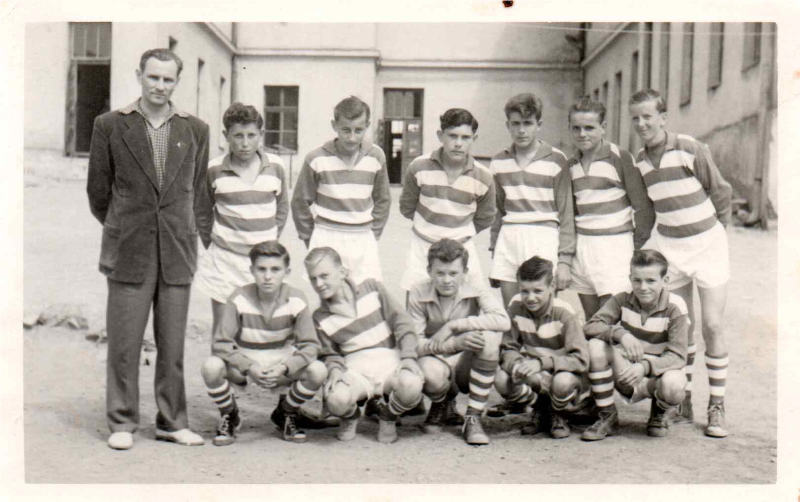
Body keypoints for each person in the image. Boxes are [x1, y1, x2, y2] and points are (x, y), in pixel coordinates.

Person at [87, 48, 213, 450]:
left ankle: (172, 422)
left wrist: (180, 230)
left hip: (177, 248)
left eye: (168, 79)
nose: (160, 86)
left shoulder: (196, 129)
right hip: (129, 247)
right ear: (139, 75)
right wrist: (126, 226)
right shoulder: (109, 125)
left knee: (172, 345)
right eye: (153, 77)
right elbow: (98, 193)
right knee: (124, 343)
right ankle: (122, 421)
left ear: (177, 82)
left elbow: (195, 192)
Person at [628, 89, 732, 438]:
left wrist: (718, 233)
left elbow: (720, 191)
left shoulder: (688, 147)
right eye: (635, 118)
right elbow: (646, 210)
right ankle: (681, 400)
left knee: (713, 325)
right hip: (670, 248)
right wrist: (639, 247)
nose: (641, 124)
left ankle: (716, 404)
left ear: (662, 118)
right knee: (681, 326)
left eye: (647, 116)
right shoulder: (640, 161)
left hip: (708, 244)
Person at [201, 241, 327, 446]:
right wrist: (249, 366)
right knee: (211, 366)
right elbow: (221, 343)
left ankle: (285, 413)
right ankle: (230, 414)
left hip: (281, 360)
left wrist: (285, 368)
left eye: (275, 269)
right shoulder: (238, 298)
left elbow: (311, 346)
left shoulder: (297, 299)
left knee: (318, 370)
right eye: (261, 269)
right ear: (252, 270)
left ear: (287, 272)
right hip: (247, 359)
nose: (268, 276)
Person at [305, 247, 424, 444]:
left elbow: (402, 322)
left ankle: (388, 416)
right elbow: (329, 354)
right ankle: (351, 416)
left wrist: (409, 356)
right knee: (336, 399)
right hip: (356, 369)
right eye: (313, 278)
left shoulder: (372, 288)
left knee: (412, 384)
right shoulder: (320, 317)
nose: (319, 284)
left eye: (324, 276)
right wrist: (335, 370)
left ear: (342, 272)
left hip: (389, 362)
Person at [195, 102, 288, 336]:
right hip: (225, 261)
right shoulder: (214, 169)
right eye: (238, 136)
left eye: (251, 135)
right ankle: (221, 360)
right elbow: (203, 212)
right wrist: (217, 243)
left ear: (261, 134)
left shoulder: (276, 167)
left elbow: (282, 208)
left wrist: (268, 241)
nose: (245, 143)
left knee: (259, 326)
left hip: (262, 261)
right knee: (224, 328)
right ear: (226, 135)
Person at [407, 239, 510, 445]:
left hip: (465, 363)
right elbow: (413, 344)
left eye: (453, 273)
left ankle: (473, 416)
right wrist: (453, 344)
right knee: (428, 371)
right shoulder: (418, 291)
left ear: (465, 272)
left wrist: (455, 325)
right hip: (436, 357)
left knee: (488, 339)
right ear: (429, 271)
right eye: (440, 273)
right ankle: (442, 402)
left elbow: (503, 320)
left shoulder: (474, 286)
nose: (447, 280)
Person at [581, 249, 688, 441]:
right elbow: (590, 326)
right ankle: (607, 414)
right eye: (637, 280)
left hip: (656, 376)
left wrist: (645, 367)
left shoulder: (675, 306)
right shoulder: (623, 298)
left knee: (674, 383)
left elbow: (678, 356)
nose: (643, 287)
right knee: (596, 346)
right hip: (626, 373)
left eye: (651, 281)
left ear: (665, 281)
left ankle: (659, 412)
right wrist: (621, 334)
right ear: (630, 278)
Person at [566, 96, 655, 319]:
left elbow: (643, 207)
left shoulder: (619, 157)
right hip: (583, 247)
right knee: (592, 319)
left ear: (603, 127)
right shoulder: (571, 164)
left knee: (612, 318)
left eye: (589, 128)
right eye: (576, 128)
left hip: (614, 246)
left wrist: (635, 248)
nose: (582, 134)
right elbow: (572, 212)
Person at [291, 96, 390, 284]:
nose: (352, 137)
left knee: (366, 293)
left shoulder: (376, 156)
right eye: (346, 130)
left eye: (358, 130)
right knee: (330, 293)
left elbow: (383, 199)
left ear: (367, 126)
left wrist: (373, 233)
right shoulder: (316, 158)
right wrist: (310, 238)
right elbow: (300, 202)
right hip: (326, 235)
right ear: (334, 125)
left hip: (362, 237)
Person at [488, 93, 575, 309]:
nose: (521, 130)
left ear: (539, 124)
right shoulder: (498, 161)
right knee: (512, 310)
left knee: (544, 310)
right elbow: (497, 212)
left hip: (543, 236)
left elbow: (566, 213)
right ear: (507, 125)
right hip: (509, 238)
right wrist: (494, 250)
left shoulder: (556, 159)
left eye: (527, 123)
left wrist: (565, 260)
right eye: (515, 124)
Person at [399, 108, 496, 300]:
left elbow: (485, 217)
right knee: (416, 302)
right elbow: (407, 207)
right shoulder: (418, 166)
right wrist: (431, 228)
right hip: (423, 246)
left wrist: (457, 234)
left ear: (474, 139)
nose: (458, 143)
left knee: (469, 304)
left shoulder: (484, 176)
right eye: (452, 136)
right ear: (440, 135)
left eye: (465, 137)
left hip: (462, 248)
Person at [491, 256, 592, 439]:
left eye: (538, 291)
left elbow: (581, 360)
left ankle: (559, 412)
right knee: (501, 378)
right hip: (537, 374)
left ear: (552, 286)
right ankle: (541, 409)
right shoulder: (516, 306)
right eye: (524, 291)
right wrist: (517, 364)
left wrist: (541, 363)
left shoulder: (564, 313)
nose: (530, 298)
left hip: (565, 373)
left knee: (562, 382)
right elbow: (508, 348)